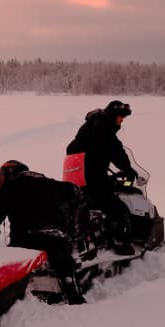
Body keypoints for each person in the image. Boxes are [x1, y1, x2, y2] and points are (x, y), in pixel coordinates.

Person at [0, 160, 88, 303]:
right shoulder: (51, 183)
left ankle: (12, 302)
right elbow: (76, 192)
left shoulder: (11, 186)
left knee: (13, 274)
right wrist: (74, 228)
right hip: (56, 238)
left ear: (9, 173)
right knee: (64, 266)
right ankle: (73, 294)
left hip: (26, 239)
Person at [66, 100, 137, 254]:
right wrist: (128, 170)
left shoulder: (89, 127)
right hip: (92, 179)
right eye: (120, 118)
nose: (121, 121)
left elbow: (71, 149)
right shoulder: (104, 128)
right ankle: (121, 243)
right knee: (118, 208)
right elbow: (117, 152)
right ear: (113, 116)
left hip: (76, 179)